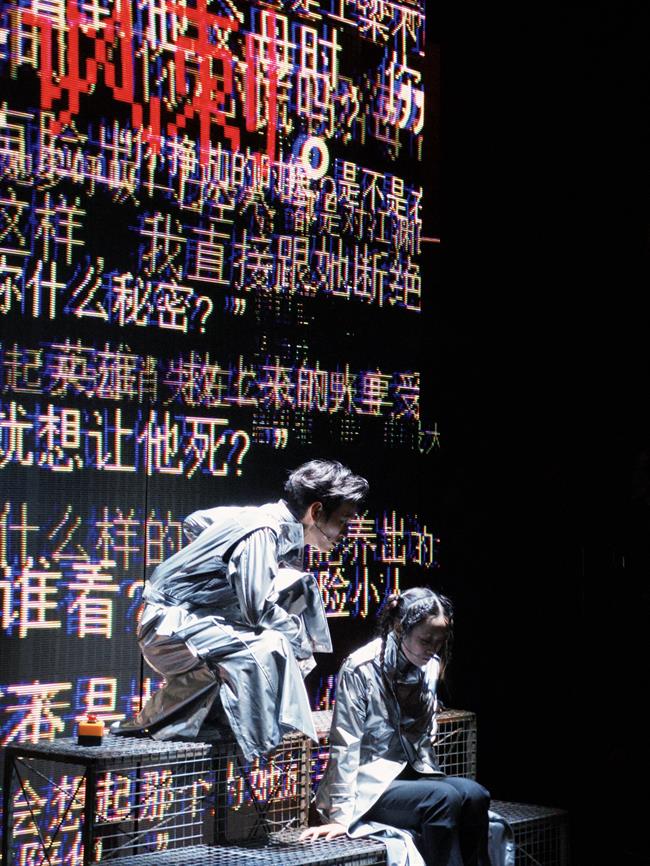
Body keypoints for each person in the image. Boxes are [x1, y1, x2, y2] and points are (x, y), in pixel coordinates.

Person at [112, 459, 368, 760]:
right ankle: (265, 742)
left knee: (297, 587)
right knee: (269, 644)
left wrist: (215, 570)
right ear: (316, 511)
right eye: (343, 520)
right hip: (168, 627)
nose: (346, 532)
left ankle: (210, 716)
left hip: (189, 621)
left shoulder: (257, 518)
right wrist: (299, 638)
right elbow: (257, 611)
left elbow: (194, 521)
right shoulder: (262, 530)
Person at [301, 586, 491, 866]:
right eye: (426, 640)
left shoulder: (428, 666)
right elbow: (346, 743)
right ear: (401, 628)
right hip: (368, 785)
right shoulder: (361, 667)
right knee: (444, 799)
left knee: (476, 795)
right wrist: (340, 816)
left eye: (439, 642)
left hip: (410, 775)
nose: (432, 649)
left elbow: (423, 734)